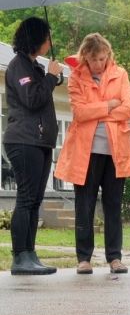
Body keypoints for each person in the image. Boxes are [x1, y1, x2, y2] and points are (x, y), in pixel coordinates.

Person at [54, 33, 130, 274]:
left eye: (102, 58)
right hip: (86, 152)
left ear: (108, 55)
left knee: (113, 205)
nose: (98, 63)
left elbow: (128, 107)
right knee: (84, 206)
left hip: (115, 151)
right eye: (93, 59)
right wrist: (109, 105)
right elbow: (79, 113)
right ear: (85, 58)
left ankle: (114, 258)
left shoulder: (120, 74)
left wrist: (99, 111)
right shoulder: (76, 78)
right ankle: (84, 258)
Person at [4, 17, 62, 275]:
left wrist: (52, 76)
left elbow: (42, 89)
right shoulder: (18, 66)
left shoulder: (32, 65)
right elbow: (32, 99)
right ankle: (20, 257)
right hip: (24, 140)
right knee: (26, 198)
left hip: (39, 141)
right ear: (36, 38)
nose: (50, 42)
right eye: (48, 37)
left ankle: (30, 253)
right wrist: (50, 77)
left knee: (35, 199)